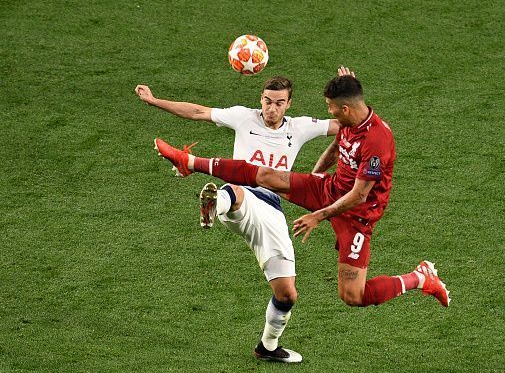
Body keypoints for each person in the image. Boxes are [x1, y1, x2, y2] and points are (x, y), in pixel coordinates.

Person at [154, 68, 451, 310]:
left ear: (345, 109)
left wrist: (317, 215)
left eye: (332, 108)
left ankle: (420, 278)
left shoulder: (377, 142)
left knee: (353, 296)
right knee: (267, 176)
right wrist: (311, 179)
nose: (330, 113)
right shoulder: (349, 120)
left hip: (357, 215)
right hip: (329, 189)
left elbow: (359, 195)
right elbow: (335, 151)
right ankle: (189, 161)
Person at [136, 76, 340, 363]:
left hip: (272, 212)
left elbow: (347, 122)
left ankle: (268, 347)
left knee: (287, 294)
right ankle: (214, 202)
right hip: (242, 199)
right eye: (268, 101)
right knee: (236, 188)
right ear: (261, 99)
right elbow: (198, 112)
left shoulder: (300, 127)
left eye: (279, 103)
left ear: (289, 104)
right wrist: (154, 101)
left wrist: (346, 91)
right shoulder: (244, 118)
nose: (272, 109)